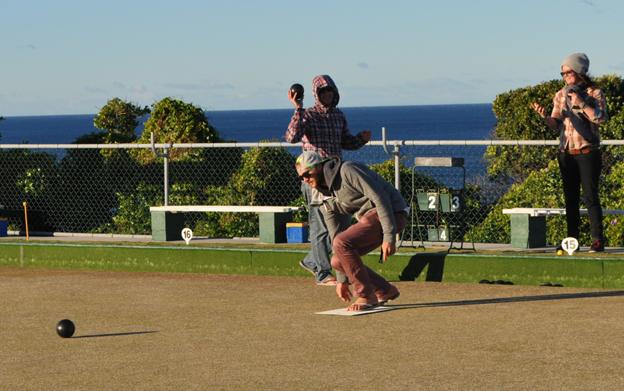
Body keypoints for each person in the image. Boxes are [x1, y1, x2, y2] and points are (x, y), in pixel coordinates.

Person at [295, 151, 409, 311]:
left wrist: (389, 237)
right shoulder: (321, 196)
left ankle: (366, 295)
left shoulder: (347, 170)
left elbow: (380, 197)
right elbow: (335, 233)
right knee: (337, 259)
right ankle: (385, 290)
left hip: (393, 212)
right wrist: (342, 280)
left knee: (342, 243)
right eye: (301, 177)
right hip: (369, 218)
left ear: (319, 167)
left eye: (307, 173)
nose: (305, 179)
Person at [285, 75, 371, 285]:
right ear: (316, 94)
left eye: (330, 91)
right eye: (323, 92)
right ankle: (322, 272)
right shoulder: (308, 115)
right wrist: (298, 108)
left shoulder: (339, 116)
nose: (327, 95)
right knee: (321, 226)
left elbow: (346, 142)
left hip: (335, 178)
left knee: (341, 224)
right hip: (314, 177)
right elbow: (291, 137)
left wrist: (360, 139)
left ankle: (315, 261)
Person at [531, 53, 608, 252]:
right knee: (570, 198)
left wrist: (581, 103)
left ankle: (597, 239)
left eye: (568, 72)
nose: (564, 76)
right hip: (566, 151)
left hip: (588, 151)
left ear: (579, 71)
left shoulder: (594, 93)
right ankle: (572, 240)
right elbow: (556, 124)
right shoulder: (560, 95)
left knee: (591, 196)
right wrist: (545, 116)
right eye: (562, 73)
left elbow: (600, 119)